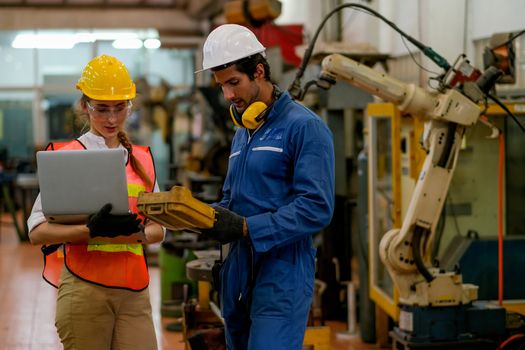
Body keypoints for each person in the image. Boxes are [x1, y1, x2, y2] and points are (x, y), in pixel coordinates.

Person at [197, 24, 335, 350]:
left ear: (259, 72)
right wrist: (202, 216)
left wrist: (246, 227)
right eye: (221, 86)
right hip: (238, 271)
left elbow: (317, 207)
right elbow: (232, 198)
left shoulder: (305, 128)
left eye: (234, 83)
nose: (229, 96)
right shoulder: (242, 131)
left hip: (282, 272)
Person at [27, 54, 165, 350]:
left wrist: (138, 234)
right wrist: (90, 231)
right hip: (85, 290)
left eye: (119, 108)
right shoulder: (66, 158)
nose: (112, 118)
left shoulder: (142, 160)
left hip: (135, 293)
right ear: (85, 106)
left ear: (129, 106)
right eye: (102, 109)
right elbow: (37, 231)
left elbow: (159, 230)